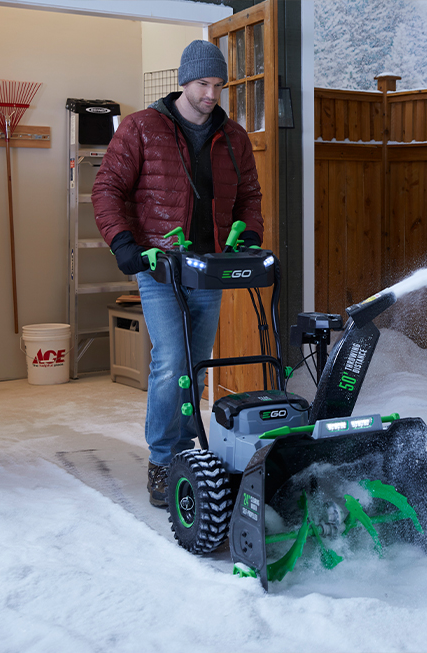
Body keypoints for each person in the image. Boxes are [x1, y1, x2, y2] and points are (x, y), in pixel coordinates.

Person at [92, 40, 263, 508]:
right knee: (171, 361)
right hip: (161, 265)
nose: (211, 94)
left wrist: (247, 236)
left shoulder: (234, 137)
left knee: (196, 363)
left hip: (209, 269)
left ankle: (190, 455)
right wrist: (124, 244)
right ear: (183, 82)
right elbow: (107, 188)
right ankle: (163, 460)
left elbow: (249, 196)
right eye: (203, 84)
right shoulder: (141, 128)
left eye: (217, 85)